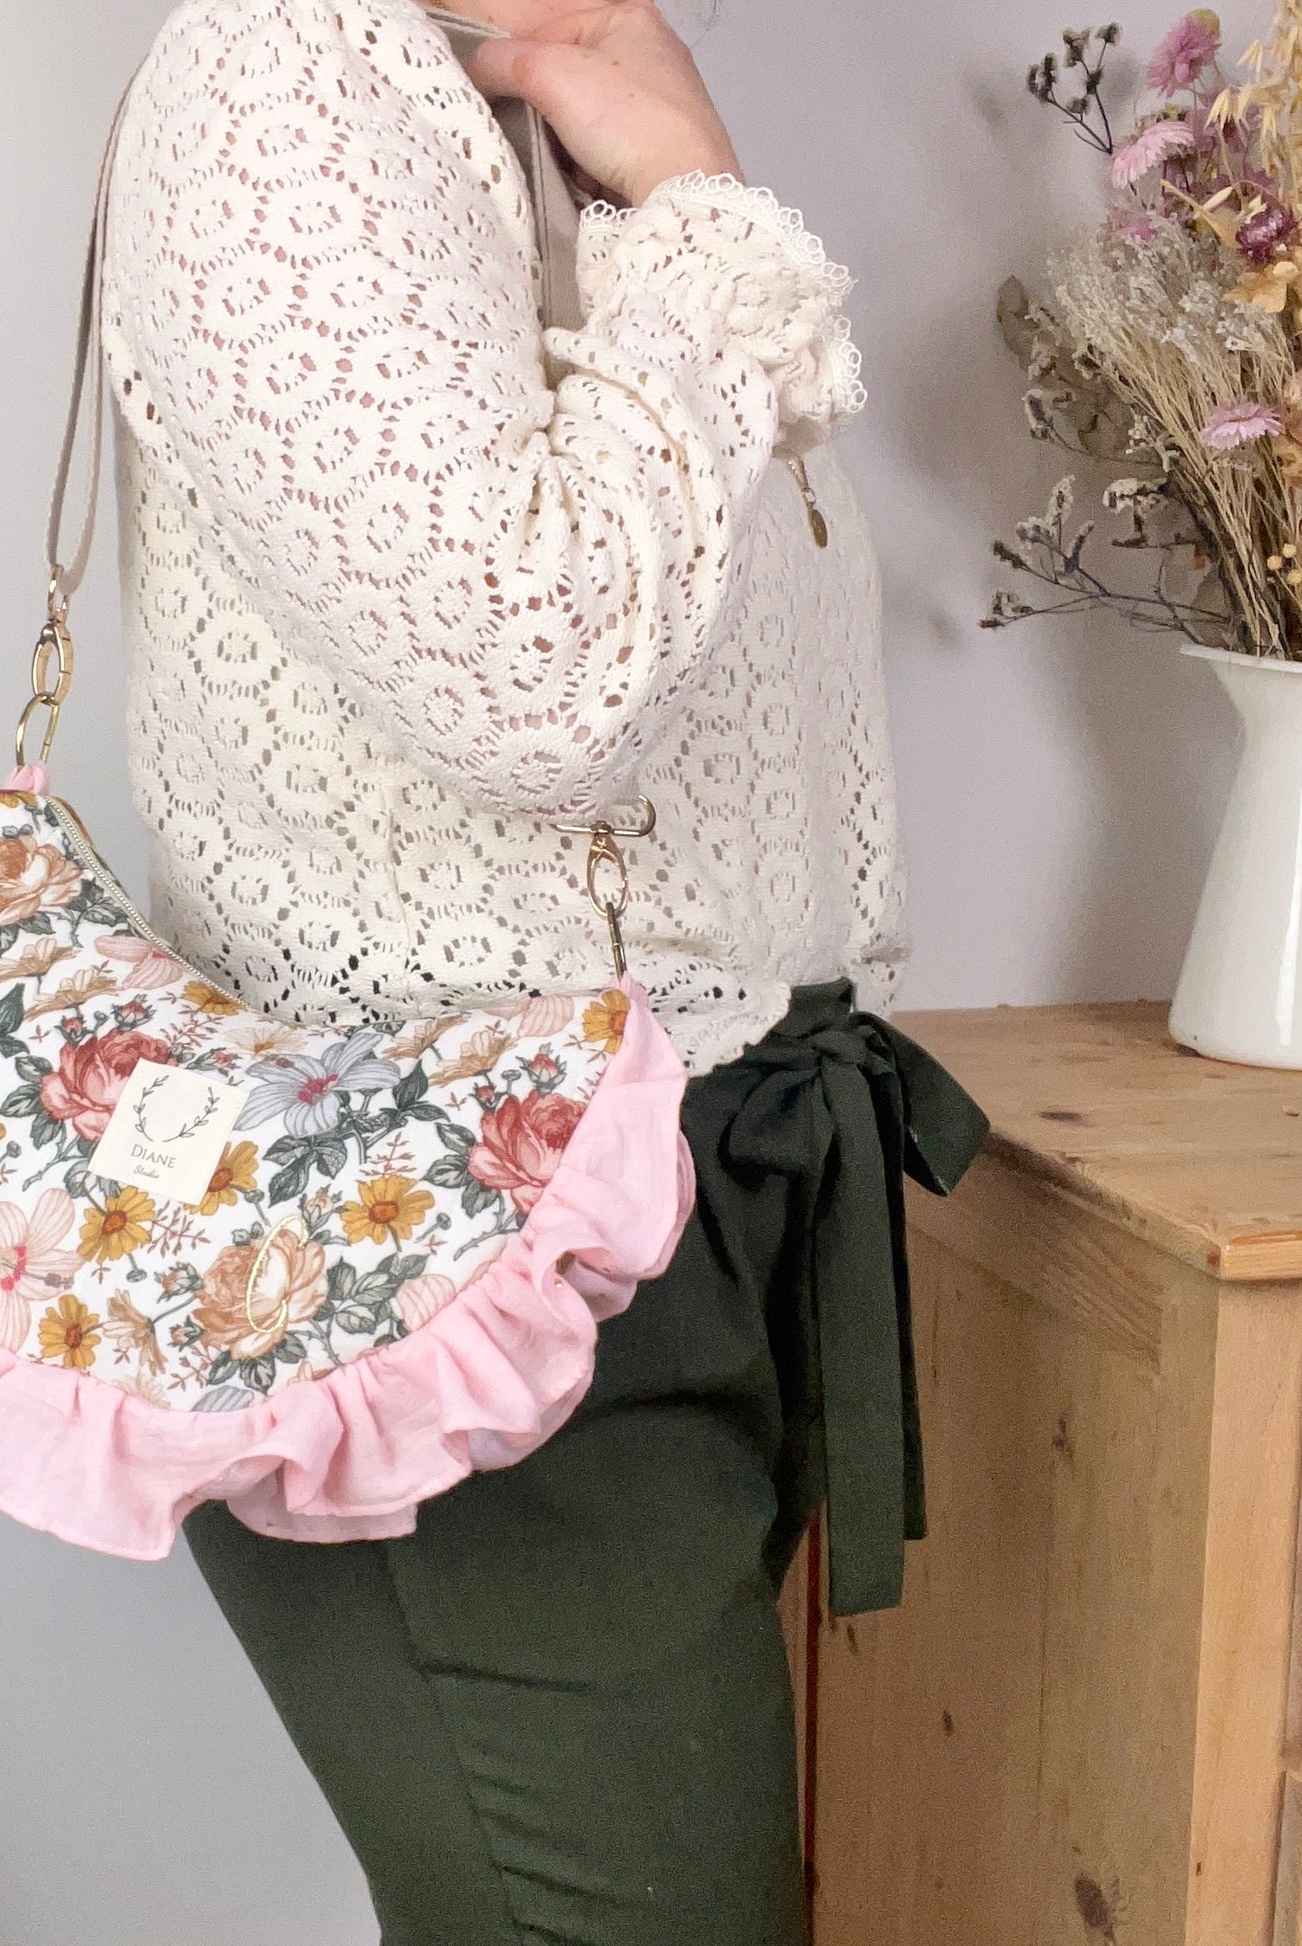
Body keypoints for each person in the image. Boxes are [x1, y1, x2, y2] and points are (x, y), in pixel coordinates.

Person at [96, 2, 987, 1940]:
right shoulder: (285, 76)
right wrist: (700, 203)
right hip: (461, 1259)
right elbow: (533, 671)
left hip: (685, 1204)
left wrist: (663, 191)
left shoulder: (535, 107)